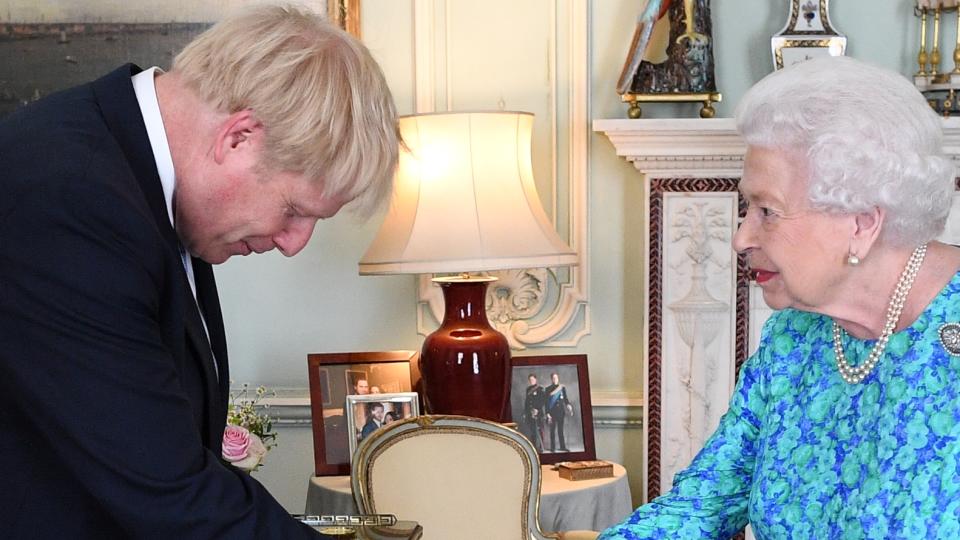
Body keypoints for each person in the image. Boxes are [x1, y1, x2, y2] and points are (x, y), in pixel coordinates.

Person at [0, 5, 398, 539]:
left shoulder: (144, 185)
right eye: (295, 210)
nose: (293, 244)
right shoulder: (71, 198)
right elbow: (171, 493)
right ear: (238, 138)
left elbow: (175, 454)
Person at [600, 56, 960, 538]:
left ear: (861, 224)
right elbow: (702, 503)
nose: (741, 237)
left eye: (767, 211)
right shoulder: (795, 336)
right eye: (748, 207)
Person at [545, 372, 574, 452]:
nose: (555, 379)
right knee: (552, 431)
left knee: (560, 430)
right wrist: (547, 413)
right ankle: (553, 448)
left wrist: (569, 406)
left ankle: (562, 447)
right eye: (553, 378)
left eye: (556, 378)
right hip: (552, 413)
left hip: (561, 412)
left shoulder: (562, 388)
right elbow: (546, 402)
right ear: (551, 379)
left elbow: (565, 399)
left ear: (558, 378)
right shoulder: (548, 389)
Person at [521, 373, 546, 452]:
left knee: (540, 429)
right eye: (530, 380)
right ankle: (534, 447)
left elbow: (542, 401)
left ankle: (541, 447)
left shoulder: (540, 389)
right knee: (533, 430)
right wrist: (525, 412)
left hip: (538, 412)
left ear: (536, 379)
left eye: (532, 379)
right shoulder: (528, 389)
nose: (531, 381)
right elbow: (527, 402)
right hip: (530, 412)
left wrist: (537, 410)